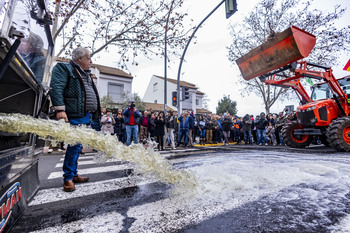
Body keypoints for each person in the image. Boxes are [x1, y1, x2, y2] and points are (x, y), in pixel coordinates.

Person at [49, 47, 100, 192]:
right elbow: (56, 87)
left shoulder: (86, 73)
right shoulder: (64, 68)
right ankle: (68, 179)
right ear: (80, 59)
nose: (91, 61)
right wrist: (60, 109)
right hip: (74, 115)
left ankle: (74, 174)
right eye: (88, 58)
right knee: (74, 145)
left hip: (85, 115)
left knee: (77, 147)